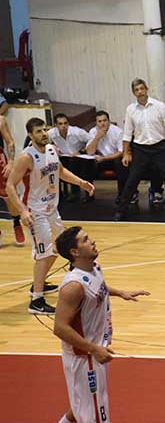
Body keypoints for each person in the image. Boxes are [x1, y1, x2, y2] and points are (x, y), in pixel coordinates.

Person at [31, 226, 150, 423]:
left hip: (94, 351)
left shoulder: (94, 267)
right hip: (84, 358)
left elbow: (99, 287)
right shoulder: (73, 287)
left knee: (86, 403)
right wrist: (94, 349)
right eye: (85, 240)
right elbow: (60, 328)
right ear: (75, 252)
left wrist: (120, 292)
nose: (92, 241)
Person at [5, 118, 94, 314]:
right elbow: (10, 186)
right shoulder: (26, 157)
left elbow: (60, 171)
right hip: (35, 211)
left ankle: (39, 283)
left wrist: (81, 182)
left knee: (58, 247)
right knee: (44, 253)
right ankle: (36, 301)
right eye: (38, 131)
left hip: (52, 209)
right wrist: (22, 211)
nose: (44, 134)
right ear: (30, 135)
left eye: (45, 130)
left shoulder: (52, 149)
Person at [113, 78, 165, 221]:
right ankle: (121, 210)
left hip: (159, 148)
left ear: (147, 89)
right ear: (133, 92)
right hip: (140, 149)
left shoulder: (159, 106)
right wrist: (125, 153)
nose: (140, 92)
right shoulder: (130, 110)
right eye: (137, 90)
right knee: (132, 179)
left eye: (142, 88)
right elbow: (127, 133)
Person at [84, 111, 128, 203]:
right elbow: (89, 152)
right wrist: (97, 138)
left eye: (104, 120)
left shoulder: (118, 131)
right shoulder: (93, 131)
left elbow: (121, 152)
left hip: (114, 159)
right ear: (96, 123)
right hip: (100, 160)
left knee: (120, 162)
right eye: (99, 121)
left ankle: (121, 195)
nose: (102, 123)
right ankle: (89, 193)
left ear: (109, 121)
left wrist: (104, 158)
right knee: (87, 163)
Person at [48, 114, 92, 202]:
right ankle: (59, 194)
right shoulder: (51, 133)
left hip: (79, 157)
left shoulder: (77, 132)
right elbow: (45, 143)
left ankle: (78, 192)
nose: (63, 126)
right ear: (55, 125)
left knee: (74, 162)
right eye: (60, 124)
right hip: (64, 157)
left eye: (65, 123)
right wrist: (53, 147)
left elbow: (91, 139)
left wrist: (82, 150)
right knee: (53, 164)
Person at [0, 102, 26, 246]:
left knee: (8, 197)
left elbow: (10, 142)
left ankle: (16, 223)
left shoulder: (0, 120)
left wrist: (10, 161)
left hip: (0, 162)